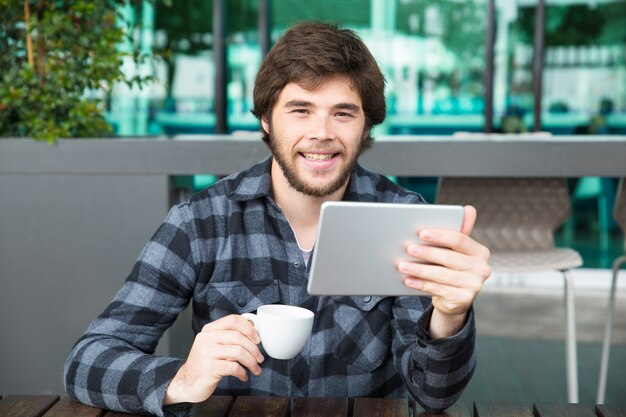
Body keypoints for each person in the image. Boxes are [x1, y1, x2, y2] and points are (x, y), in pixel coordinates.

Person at [64, 21, 491, 417]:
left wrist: (450, 316)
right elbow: (86, 361)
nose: (322, 132)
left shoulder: (404, 221)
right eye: (300, 110)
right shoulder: (201, 221)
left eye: (343, 113)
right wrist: (183, 378)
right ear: (267, 119)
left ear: (365, 128)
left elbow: (434, 393)